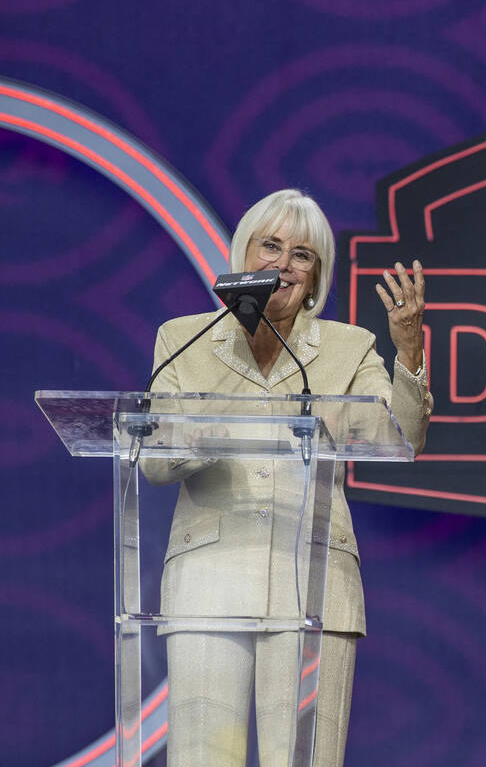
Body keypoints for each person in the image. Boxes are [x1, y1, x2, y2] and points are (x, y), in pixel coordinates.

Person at [142, 188, 432, 767]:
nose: (282, 264)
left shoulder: (350, 347)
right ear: (242, 253)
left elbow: (401, 436)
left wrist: (409, 350)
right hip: (208, 580)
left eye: (301, 255)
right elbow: (154, 460)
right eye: (269, 246)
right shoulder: (185, 338)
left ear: (315, 274)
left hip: (316, 577)